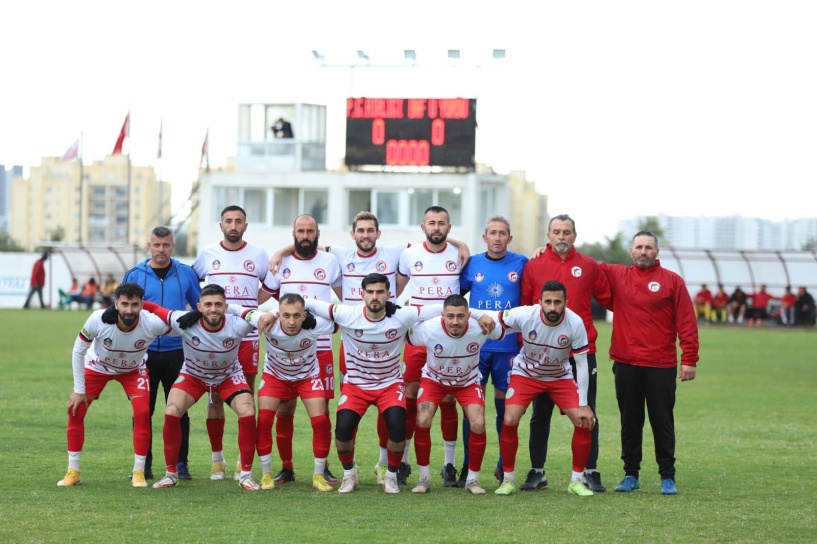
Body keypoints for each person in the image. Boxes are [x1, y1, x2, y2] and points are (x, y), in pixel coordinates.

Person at [303, 273, 493, 494]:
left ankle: (391, 475)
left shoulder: (402, 315)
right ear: (361, 294)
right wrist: (280, 313)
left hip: (390, 385)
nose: (375, 297)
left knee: (397, 425)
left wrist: (478, 314)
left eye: (380, 292)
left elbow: (441, 308)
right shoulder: (346, 313)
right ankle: (349, 474)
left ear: (388, 294)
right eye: (371, 292)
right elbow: (310, 303)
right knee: (343, 430)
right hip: (356, 385)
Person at [517, 214, 612, 493]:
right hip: (544, 353)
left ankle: (590, 472)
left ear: (574, 236)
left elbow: (609, 298)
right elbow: (525, 308)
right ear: (548, 236)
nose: (561, 236)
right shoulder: (533, 265)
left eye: (567, 232)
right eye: (556, 232)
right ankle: (537, 471)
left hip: (582, 352)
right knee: (540, 414)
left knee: (587, 410)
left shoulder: (589, 266)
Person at [600, 231, 699, 495]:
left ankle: (667, 476)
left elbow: (687, 322)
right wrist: (549, 249)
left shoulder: (672, 281)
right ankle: (630, 474)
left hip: (660, 364)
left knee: (662, 421)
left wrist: (689, 358)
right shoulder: (619, 275)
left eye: (648, 247)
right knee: (630, 421)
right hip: (626, 362)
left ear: (657, 252)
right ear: (631, 251)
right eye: (639, 247)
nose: (643, 251)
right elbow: (584, 267)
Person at [149, 284, 274, 490]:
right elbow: (155, 309)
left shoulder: (236, 324)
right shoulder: (184, 322)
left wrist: (266, 313)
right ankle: (171, 474)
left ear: (226, 306)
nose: (213, 309)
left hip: (228, 376)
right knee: (172, 412)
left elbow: (261, 317)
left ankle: (246, 474)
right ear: (199, 306)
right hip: (193, 376)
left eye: (218, 304)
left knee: (248, 412)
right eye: (207, 305)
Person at [487, 280, 597, 497]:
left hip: (560, 376)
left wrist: (583, 404)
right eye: (548, 302)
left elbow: (582, 363)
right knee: (509, 419)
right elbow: (494, 317)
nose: (553, 307)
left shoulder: (575, 323)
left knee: (584, 420)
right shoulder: (526, 314)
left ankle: (576, 481)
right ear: (540, 302)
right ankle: (507, 479)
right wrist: (473, 315)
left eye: (558, 302)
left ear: (566, 302)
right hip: (525, 374)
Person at [57, 283, 171, 488]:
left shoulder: (152, 323)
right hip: (97, 367)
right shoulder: (98, 319)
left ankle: (139, 472)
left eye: (135, 305)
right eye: (125, 304)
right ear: (116, 303)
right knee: (75, 410)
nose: (129, 310)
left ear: (142, 305)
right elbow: (78, 351)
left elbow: (181, 326)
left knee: (143, 412)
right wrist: (79, 389)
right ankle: (73, 471)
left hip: (133, 370)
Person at [258, 214, 341, 485]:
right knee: (285, 409)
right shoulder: (281, 262)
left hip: (321, 345)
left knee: (322, 409)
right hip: (286, 346)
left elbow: (343, 295)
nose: (305, 236)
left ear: (318, 233)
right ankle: (287, 467)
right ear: (293, 233)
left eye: (310, 231)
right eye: (301, 231)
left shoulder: (330, 261)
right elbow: (265, 297)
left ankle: (323, 467)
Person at [193, 205, 268, 480]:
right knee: (214, 396)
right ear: (221, 225)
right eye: (228, 221)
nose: (233, 225)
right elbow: (193, 284)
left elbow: (272, 286)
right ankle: (217, 460)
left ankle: (242, 460)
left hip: (246, 336)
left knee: (245, 396)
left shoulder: (258, 254)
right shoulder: (208, 254)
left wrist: (247, 308)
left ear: (245, 226)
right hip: (215, 335)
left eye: (238, 221)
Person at [123, 226, 201, 480]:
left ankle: (180, 464)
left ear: (173, 246)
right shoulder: (135, 274)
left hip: (178, 352)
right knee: (143, 410)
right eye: (156, 245)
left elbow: (199, 306)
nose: (161, 250)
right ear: (149, 245)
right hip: (142, 354)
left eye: (166, 245)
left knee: (179, 410)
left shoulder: (186, 273)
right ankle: (143, 464)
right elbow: (124, 312)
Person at [396, 205, 466, 487]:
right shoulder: (409, 254)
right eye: (431, 223)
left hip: (449, 337)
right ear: (422, 227)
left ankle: (448, 465)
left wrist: (462, 244)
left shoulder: (460, 256)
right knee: (410, 394)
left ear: (449, 228)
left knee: (448, 397)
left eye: (442, 223)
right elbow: (397, 289)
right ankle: (404, 461)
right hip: (418, 336)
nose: (436, 227)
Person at [456, 216, 528, 487]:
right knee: (471, 407)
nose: (497, 238)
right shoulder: (472, 263)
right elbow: (455, 300)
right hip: (476, 348)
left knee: (505, 410)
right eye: (493, 233)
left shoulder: (522, 263)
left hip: (508, 349)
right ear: (484, 237)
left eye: (503, 234)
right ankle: (467, 466)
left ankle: (502, 464)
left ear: (509, 238)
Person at [408, 294, 504, 495]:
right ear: (442, 315)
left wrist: (485, 317)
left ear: (469, 316)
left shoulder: (481, 328)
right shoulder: (428, 329)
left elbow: (505, 324)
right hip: (434, 381)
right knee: (423, 419)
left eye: (461, 316)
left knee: (478, 423)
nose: (455, 322)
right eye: (450, 316)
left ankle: (473, 480)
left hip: (467, 383)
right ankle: (424, 478)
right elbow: (403, 327)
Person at [250, 293, 338, 491]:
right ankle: (267, 474)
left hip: (308, 377)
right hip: (275, 376)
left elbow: (343, 319)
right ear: (278, 315)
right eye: (286, 315)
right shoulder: (266, 321)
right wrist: (271, 312)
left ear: (305, 315)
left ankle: (318, 475)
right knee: (264, 421)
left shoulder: (316, 325)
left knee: (321, 421)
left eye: (297, 316)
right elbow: (238, 312)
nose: (291, 321)